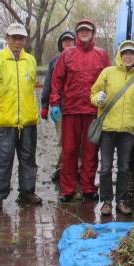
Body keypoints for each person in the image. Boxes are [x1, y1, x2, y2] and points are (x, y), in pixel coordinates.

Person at [49, 19, 110, 203]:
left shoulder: (101, 55)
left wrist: (106, 104)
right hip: (70, 111)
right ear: (77, 33)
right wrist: (54, 104)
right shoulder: (66, 55)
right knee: (69, 151)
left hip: (93, 112)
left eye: (88, 30)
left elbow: (108, 81)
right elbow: (57, 81)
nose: (85, 33)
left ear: (93, 33)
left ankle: (88, 187)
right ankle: (67, 189)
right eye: (81, 30)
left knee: (91, 151)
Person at [0, 22, 41, 211]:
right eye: (14, 37)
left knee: (28, 159)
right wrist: (0, 109)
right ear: (7, 39)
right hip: (5, 122)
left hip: (28, 121)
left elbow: (31, 88)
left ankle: (27, 192)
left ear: (25, 40)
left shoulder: (30, 60)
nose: (17, 41)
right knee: (3, 159)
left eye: (21, 38)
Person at [90, 40, 134, 216]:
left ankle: (121, 201)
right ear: (120, 55)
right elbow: (93, 93)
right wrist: (96, 99)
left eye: (132, 53)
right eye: (125, 53)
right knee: (106, 167)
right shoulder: (107, 72)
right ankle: (106, 201)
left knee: (123, 168)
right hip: (107, 128)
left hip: (127, 131)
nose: (128, 56)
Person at [40, 30, 75, 183]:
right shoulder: (54, 61)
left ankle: (78, 169)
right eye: (65, 41)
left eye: (70, 40)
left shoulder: (80, 58)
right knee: (62, 140)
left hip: (77, 108)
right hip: (59, 108)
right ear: (60, 44)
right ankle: (60, 168)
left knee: (78, 141)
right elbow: (48, 84)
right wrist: (45, 105)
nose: (68, 43)